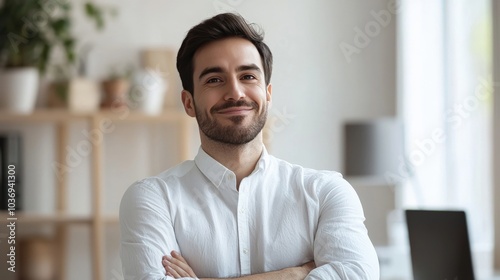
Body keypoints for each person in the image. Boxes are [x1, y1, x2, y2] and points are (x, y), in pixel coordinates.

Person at [119, 13, 379, 280]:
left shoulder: (326, 193)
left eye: (248, 76)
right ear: (188, 103)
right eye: (214, 80)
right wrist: (294, 274)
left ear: (267, 93)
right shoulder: (152, 199)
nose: (235, 93)